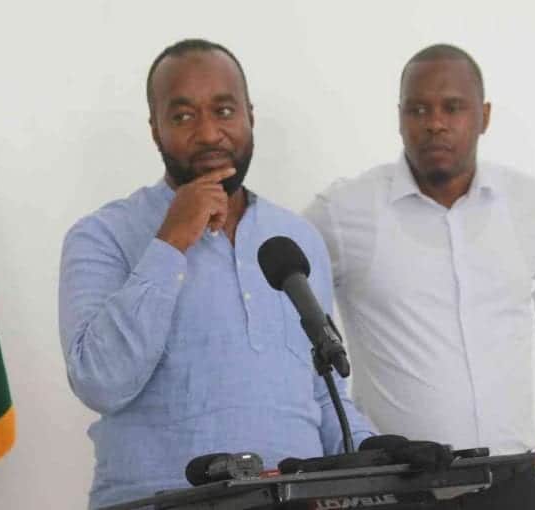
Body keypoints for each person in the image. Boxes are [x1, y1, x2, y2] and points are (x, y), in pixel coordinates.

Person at [58, 39, 375, 509]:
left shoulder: (295, 238)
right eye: (183, 116)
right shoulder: (101, 236)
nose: (209, 133)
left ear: (249, 115)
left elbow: (323, 394)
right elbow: (100, 382)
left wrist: (370, 449)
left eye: (224, 110)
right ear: (155, 129)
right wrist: (170, 242)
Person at [305, 44, 535, 509]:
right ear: (400, 118)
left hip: (512, 478)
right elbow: (281, 286)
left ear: (484, 116)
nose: (435, 122)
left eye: (453, 107)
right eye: (418, 109)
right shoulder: (346, 212)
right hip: (401, 487)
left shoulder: (525, 203)